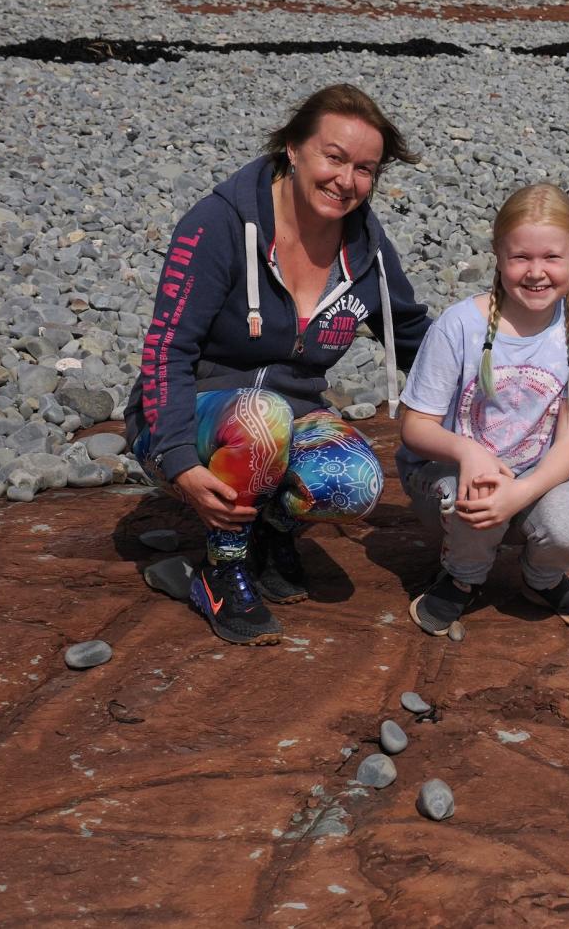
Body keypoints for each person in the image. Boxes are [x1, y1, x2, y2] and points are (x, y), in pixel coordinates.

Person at [123, 84, 431, 646]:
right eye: (333, 157)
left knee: (354, 481)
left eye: (365, 169)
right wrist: (176, 458)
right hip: (185, 420)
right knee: (261, 416)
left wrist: (494, 382)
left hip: (286, 417)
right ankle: (223, 571)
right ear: (293, 148)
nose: (347, 181)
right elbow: (168, 348)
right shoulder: (216, 224)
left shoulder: (366, 250)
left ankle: (272, 528)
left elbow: (412, 335)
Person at [397, 183, 569, 636]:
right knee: (475, 493)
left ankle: (543, 579)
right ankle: (462, 576)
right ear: (498, 254)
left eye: (552, 257)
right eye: (521, 258)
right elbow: (414, 426)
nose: (536, 272)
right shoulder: (460, 325)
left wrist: (522, 492)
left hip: (535, 475)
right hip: (451, 474)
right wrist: (469, 453)